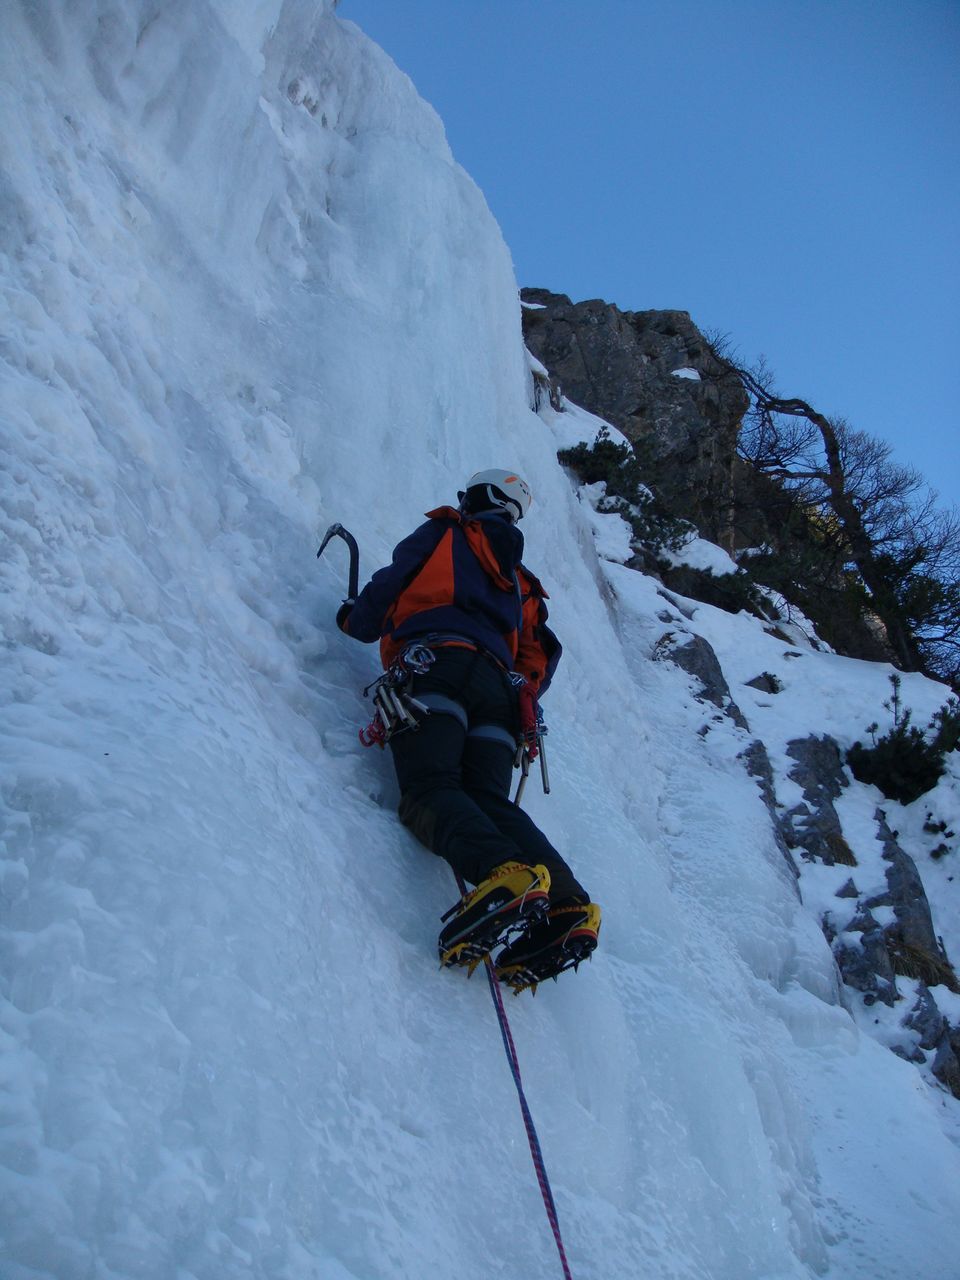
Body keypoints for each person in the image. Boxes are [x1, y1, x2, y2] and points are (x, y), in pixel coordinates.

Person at [336, 468, 601, 993]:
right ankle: (567, 906)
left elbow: (391, 586)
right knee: (487, 798)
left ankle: (504, 872)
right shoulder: (523, 583)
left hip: (437, 665)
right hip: (500, 697)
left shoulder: (446, 533)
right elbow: (539, 657)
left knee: (429, 787)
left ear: (477, 497)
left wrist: (354, 619)